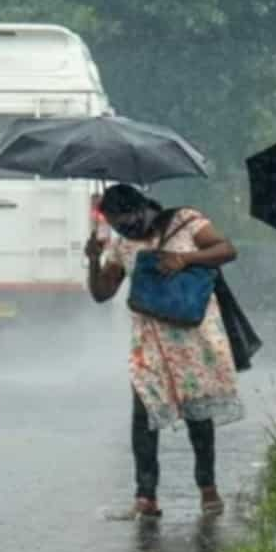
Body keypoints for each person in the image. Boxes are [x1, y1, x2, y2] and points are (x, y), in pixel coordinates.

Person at [84, 183, 242, 519]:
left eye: (129, 221)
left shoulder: (186, 222)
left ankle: (208, 488)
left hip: (193, 339)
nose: (127, 229)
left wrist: (185, 259)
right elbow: (102, 293)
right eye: (118, 225)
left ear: (144, 208)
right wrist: (94, 260)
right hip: (149, 343)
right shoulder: (123, 245)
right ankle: (146, 497)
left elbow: (226, 249)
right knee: (144, 417)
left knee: (198, 416)